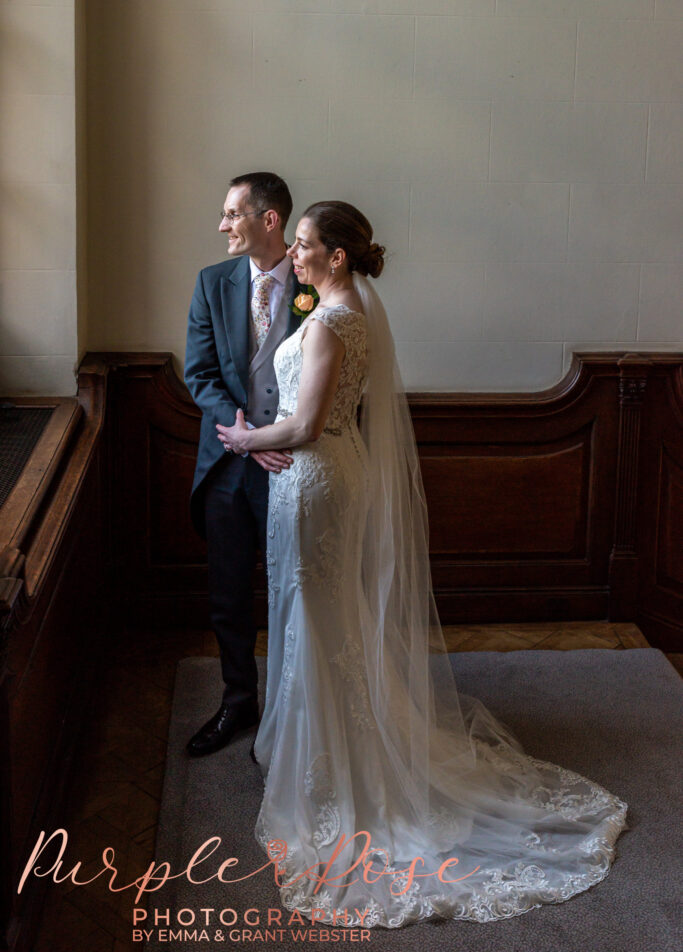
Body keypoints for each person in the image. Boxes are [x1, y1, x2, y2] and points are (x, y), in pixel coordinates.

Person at [217, 201, 629, 928]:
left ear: (337, 256)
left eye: (306, 246)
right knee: (322, 613)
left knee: (319, 615)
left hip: (314, 476)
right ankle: (324, 751)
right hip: (317, 476)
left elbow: (309, 424)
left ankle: (340, 776)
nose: (296, 257)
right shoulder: (345, 316)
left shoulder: (334, 322)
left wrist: (243, 439)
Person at [184, 171, 302, 757]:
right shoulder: (213, 283)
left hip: (295, 467)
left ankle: (294, 710)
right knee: (229, 594)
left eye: (233, 213)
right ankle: (238, 702)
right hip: (229, 465)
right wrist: (247, 435)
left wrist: (283, 440)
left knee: (293, 593)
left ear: (269, 220)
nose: (223, 224)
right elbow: (199, 374)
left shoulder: (314, 286)